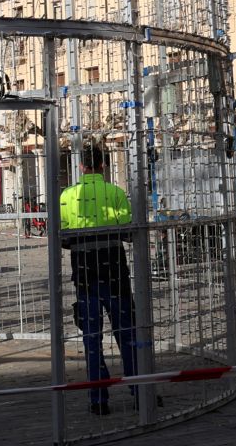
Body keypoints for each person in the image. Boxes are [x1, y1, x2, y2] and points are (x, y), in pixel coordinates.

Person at [59, 141, 137, 416]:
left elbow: (64, 237)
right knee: (127, 333)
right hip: (115, 271)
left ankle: (98, 399)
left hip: (85, 274)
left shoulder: (67, 196)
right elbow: (127, 228)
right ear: (104, 165)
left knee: (91, 337)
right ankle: (140, 391)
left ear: (81, 166)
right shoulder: (114, 192)